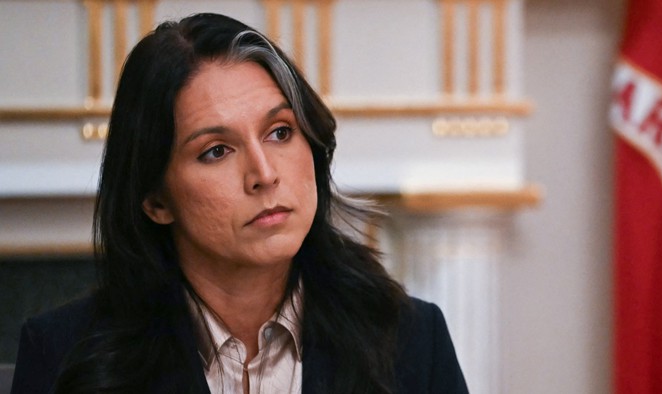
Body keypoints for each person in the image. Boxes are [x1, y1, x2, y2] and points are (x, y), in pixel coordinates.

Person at [11, 13, 468, 394]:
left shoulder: (411, 339)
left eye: (280, 132)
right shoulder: (62, 353)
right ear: (154, 200)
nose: (264, 173)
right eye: (216, 151)